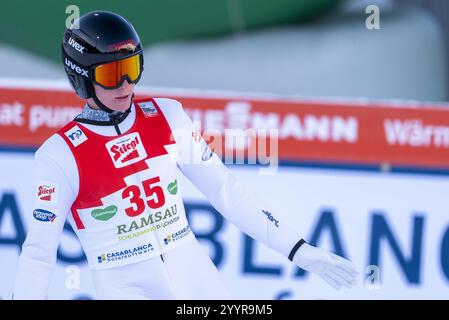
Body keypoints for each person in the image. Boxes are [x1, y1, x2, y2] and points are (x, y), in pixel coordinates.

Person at [13, 10, 358, 300]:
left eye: (133, 67)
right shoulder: (60, 156)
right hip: (126, 286)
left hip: (195, 279)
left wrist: (298, 249)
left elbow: (227, 193)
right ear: (82, 80)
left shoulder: (167, 117)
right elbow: (39, 253)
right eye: (111, 74)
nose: (127, 85)